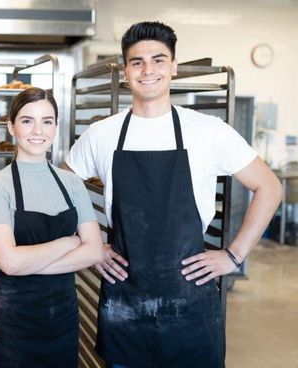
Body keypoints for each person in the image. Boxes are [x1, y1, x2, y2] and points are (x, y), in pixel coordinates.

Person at [65, 21, 282, 368]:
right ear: (125, 71)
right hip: (125, 301)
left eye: (158, 59)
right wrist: (90, 248)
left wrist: (234, 255)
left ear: (174, 67)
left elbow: (270, 186)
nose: (148, 69)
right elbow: (63, 189)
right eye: (137, 62)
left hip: (190, 303)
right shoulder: (101, 134)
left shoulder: (209, 131)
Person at [0, 87, 105, 368]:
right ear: (11, 126)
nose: (38, 130)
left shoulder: (72, 183)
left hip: (61, 317)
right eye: (27, 121)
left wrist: (25, 263)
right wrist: (69, 243)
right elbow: (9, 263)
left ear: (56, 127)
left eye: (47, 121)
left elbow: (95, 251)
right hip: (14, 321)